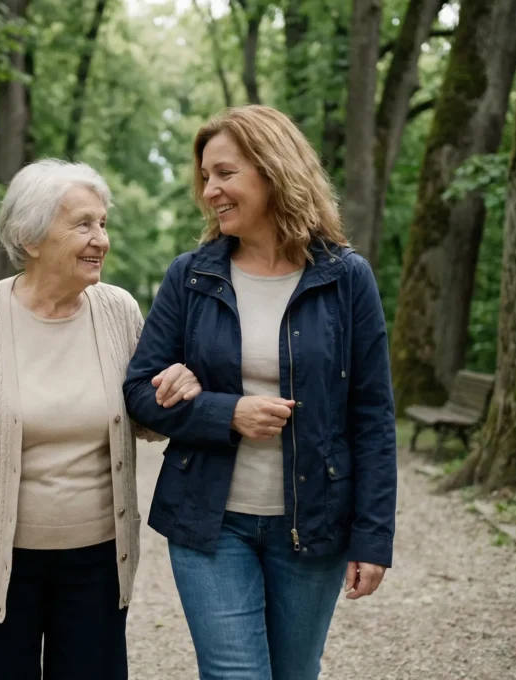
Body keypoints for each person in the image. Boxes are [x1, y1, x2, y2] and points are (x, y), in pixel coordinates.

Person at [124, 105, 398, 680]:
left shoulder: (347, 278)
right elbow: (139, 393)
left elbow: (372, 416)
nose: (210, 190)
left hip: (314, 525)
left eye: (224, 173)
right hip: (209, 523)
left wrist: (373, 537)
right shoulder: (190, 276)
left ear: (273, 170)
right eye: (205, 178)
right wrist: (225, 412)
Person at [0, 159, 200, 680]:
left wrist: (175, 389)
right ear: (31, 237)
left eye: (104, 224)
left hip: (98, 563)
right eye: (83, 224)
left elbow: (145, 418)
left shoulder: (118, 310)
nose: (101, 240)